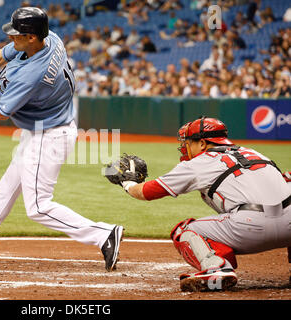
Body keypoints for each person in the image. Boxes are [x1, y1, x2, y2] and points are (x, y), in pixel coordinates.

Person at [0, 7, 124, 272]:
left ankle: (102, 234)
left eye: (17, 35)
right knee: (5, 192)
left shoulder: (32, 74)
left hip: (49, 136)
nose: (12, 39)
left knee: (38, 206)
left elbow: (2, 112)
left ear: (32, 37)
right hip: (44, 129)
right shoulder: (50, 38)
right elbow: (0, 56)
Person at [113, 117, 290, 292]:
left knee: (185, 231)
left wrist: (128, 183)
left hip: (250, 227)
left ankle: (217, 268)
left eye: (188, 142)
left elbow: (147, 192)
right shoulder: (255, 153)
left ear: (203, 143)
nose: (185, 147)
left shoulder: (199, 163)